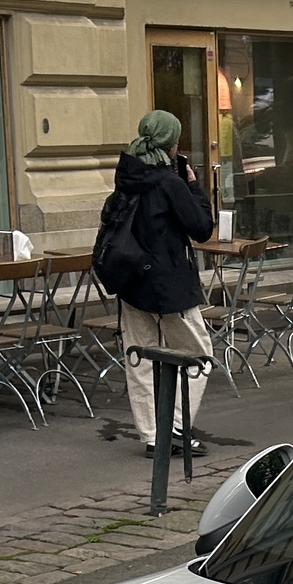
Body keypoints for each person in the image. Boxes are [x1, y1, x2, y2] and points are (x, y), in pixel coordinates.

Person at [104, 109, 216, 453]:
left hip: (132, 281)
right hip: (169, 284)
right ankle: (176, 427)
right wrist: (193, 185)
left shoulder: (126, 176)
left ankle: (153, 435)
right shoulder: (169, 182)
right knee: (198, 354)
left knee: (140, 358)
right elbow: (202, 228)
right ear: (171, 144)